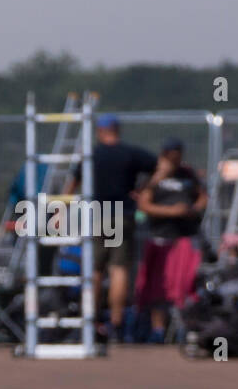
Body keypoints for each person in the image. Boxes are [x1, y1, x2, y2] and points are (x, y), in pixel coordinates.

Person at [65, 114, 158, 342]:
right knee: (119, 268)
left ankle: (92, 320)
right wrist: (144, 189)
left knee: (95, 269)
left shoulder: (92, 155)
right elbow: (159, 166)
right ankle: (116, 324)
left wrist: (62, 207)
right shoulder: (130, 153)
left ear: (100, 130)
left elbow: (72, 185)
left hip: (98, 214)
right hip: (122, 213)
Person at [134, 138, 207, 342]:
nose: (175, 157)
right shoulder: (153, 177)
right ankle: (158, 331)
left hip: (185, 238)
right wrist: (170, 211)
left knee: (185, 286)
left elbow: (202, 196)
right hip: (160, 239)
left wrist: (192, 209)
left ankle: (185, 330)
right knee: (159, 288)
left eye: (178, 153)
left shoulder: (188, 174)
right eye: (171, 153)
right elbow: (144, 204)